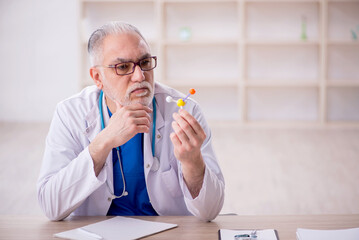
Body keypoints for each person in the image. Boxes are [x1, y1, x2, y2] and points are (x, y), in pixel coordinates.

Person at [37, 21, 225, 221]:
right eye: (123, 67)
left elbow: (210, 212)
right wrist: (103, 142)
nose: (139, 76)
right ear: (98, 77)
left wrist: (192, 162)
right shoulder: (70, 113)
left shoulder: (183, 111)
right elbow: (51, 206)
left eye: (144, 63)